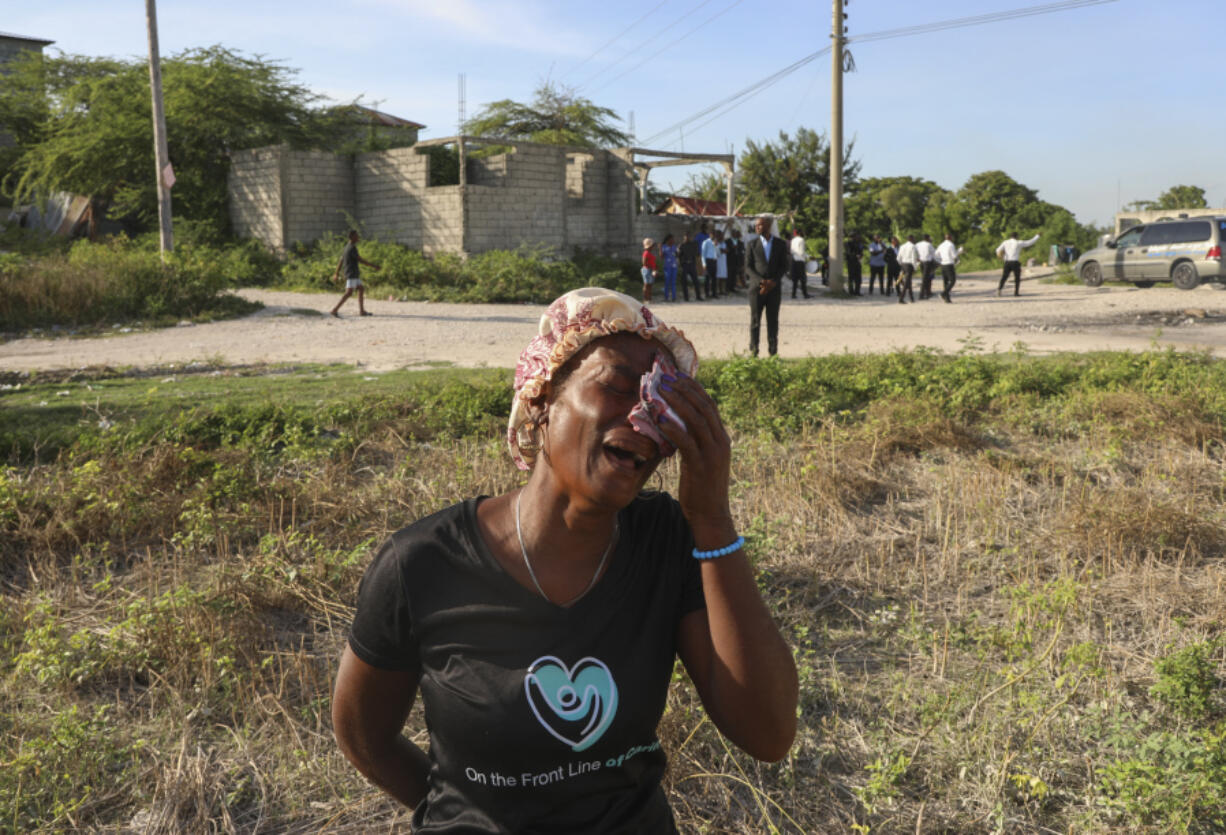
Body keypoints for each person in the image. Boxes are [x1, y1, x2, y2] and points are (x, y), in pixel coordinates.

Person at [331, 287, 799, 833]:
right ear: (542, 398)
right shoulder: (423, 564)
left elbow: (767, 734)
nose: (643, 418)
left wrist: (712, 520)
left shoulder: (666, 541)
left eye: (661, 402)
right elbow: (363, 734)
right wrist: (460, 816)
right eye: (619, 386)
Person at [745, 216, 788, 357]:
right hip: (757, 289)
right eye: (756, 225)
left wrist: (773, 281)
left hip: (774, 289)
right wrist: (761, 281)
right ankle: (754, 351)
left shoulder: (780, 244)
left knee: (773, 321)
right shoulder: (752, 244)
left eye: (760, 225)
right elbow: (748, 267)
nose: (757, 227)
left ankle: (773, 352)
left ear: (768, 227)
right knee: (755, 320)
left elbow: (784, 266)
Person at [331, 230, 381, 317]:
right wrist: (373, 266)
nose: (358, 237)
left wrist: (336, 273)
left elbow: (341, 261)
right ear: (352, 237)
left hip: (353, 273)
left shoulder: (346, 247)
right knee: (349, 293)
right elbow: (360, 260)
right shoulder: (352, 248)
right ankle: (334, 310)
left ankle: (362, 311)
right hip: (352, 273)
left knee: (361, 289)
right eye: (356, 236)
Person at [996, 231, 1042, 296]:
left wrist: (1003, 257)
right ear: (1017, 236)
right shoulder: (1019, 243)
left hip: (1007, 262)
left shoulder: (1005, 242)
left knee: (1004, 277)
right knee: (1017, 278)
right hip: (1015, 262)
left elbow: (997, 250)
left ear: (1010, 236)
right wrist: (1037, 236)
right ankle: (1016, 293)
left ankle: (999, 289)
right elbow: (1030, 242)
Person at [935, 232, 961, 303]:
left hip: (943, 264)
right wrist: (959, 251)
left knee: (945, 281)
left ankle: (947, 299)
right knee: (953, 280)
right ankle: (943, 293)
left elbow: (936, 254)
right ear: (950, 237)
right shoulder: (951, 245)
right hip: (949, 264)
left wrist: (939, 260)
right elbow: (954, 256)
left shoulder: (941, 245)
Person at [678, 232, 702, 301]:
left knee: (696, 281)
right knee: (684, 282)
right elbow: (678, 256)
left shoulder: (693, 245)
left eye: (689, 237)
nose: (688, 238)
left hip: (692, 264)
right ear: (684, 237)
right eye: (686, 237)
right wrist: (680, 264)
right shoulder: (681, 245)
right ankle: (686, 298)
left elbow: (697, 254)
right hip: (685, 265)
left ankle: (698, 296)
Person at [895, 234, 918, 304]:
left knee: (908, 281)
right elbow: (913, 258)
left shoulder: (902, 246)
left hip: (903, 264)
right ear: (911, 239)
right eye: (913, 239)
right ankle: (901, 298)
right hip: (909, 265)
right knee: (907, 282)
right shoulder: (913, 246)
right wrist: (915, 267)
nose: (914, 240)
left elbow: (898, 258)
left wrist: (901, 264)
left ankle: (911, 298)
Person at [788, 229, 810, 299]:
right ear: (800, 233)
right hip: (800, 261)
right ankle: (805, 294)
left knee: (795, 279)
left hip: (794, 260)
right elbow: (801, 252)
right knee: (803, 279)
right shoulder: (801, 240)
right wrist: (808, 257)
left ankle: (793, 294)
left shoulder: (793, 240)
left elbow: (791, 251)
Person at [915, 233, 937, 300]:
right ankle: (921, 295)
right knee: (925, 278)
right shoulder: (929, 244)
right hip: (928, 263)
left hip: (921, 262)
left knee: (926, 278)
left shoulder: (918, 244)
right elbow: (934, 254)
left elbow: (914, 252)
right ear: (928, 238)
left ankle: (928, 293)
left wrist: (917, 258)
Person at [660, 234, 679, 303]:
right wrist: (660, 249)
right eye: (672, 239)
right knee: (667, 282)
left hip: (674, 267)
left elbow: (677, 255)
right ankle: (666, 297)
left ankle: (674, 297)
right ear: (668, 240)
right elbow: (661, 257)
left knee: (673, 282)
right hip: (667, 267)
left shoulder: (674, 247)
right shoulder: (664, 247)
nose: (673, 240)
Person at [701, 231, 719, 300]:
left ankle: (714, 293)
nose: (714, 236)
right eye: (712, 234)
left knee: (714, 278)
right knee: (707, 278)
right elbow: (703, 254)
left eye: (715, 235)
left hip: (714, 261)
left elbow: (717, 253)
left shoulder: (715, 243)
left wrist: (716, 246)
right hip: (708, 261)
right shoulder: (706, 242)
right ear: (710, 234)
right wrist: (704, 264)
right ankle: (707, 294)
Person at [641, 238, 657, 304]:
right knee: (646, 285)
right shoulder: (646, 253)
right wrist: (652, 268)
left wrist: (654, 269)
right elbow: (644, 263)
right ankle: (645, 299)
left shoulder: (649, 253)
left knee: (650, 285)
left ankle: (649, 299)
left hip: (651, 270)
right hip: (647, 270)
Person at [714, 231, 729, 297]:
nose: (722, 237)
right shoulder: (716, 243)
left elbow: (727, 250)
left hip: (723, 261)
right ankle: (718, 291)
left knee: (724, 277)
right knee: (718, 277)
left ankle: (723, 290)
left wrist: (723, 250)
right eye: (721, 236)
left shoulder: (724, 243)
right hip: (718, 261)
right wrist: (722, 250)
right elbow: (719, 251)